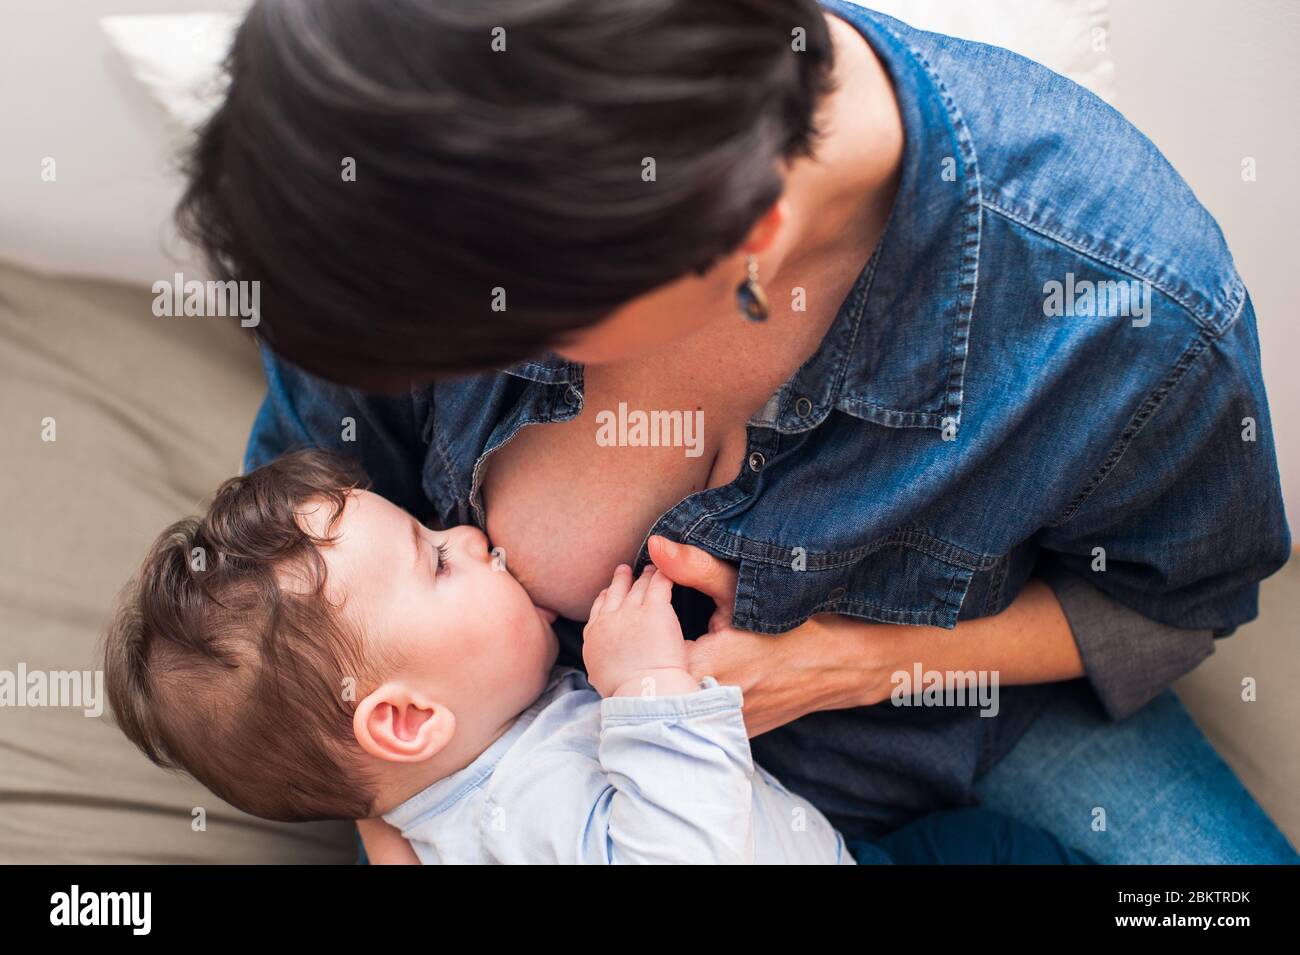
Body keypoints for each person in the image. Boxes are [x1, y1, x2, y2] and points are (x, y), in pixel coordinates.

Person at [178, 0, 1295, 861]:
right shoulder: (412, 208)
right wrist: (404, 818)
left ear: (744, 235)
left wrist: (855, 664)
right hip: (502, 739)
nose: (452, 359)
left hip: (941, 719)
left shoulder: (1123, 318)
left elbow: (1170, 604)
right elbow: (307, 547)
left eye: (499, 330)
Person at [102, 450, 1093, 865]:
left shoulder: (453, 783)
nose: (471, 535)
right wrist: (650, 691)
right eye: (441, 563)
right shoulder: (517, 812)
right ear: (406, 719)